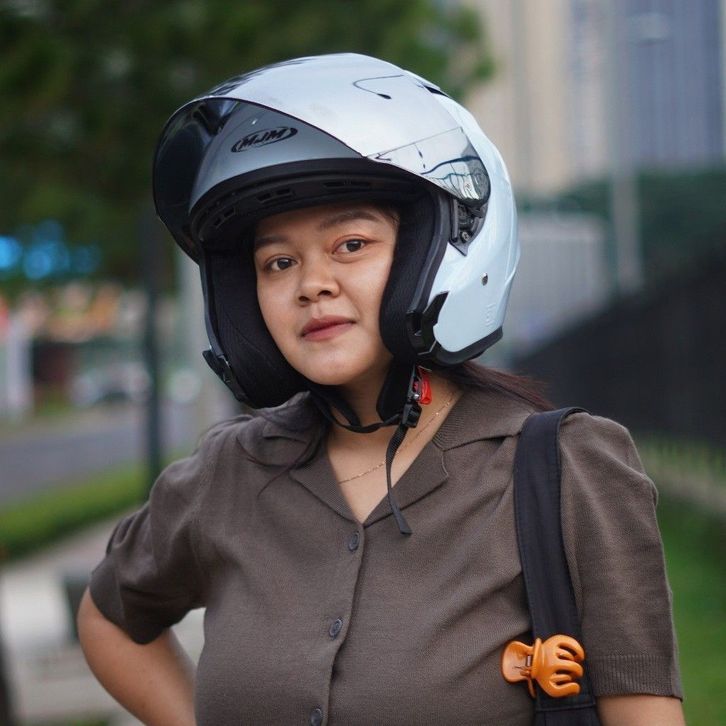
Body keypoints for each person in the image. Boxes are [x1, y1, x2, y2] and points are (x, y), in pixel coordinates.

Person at [77, 53, 685, 725]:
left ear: (432, 247)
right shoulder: (227, 473)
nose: (311, 284)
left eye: (350, 245)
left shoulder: (565, 469)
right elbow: (110, 619)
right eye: (278, 262)